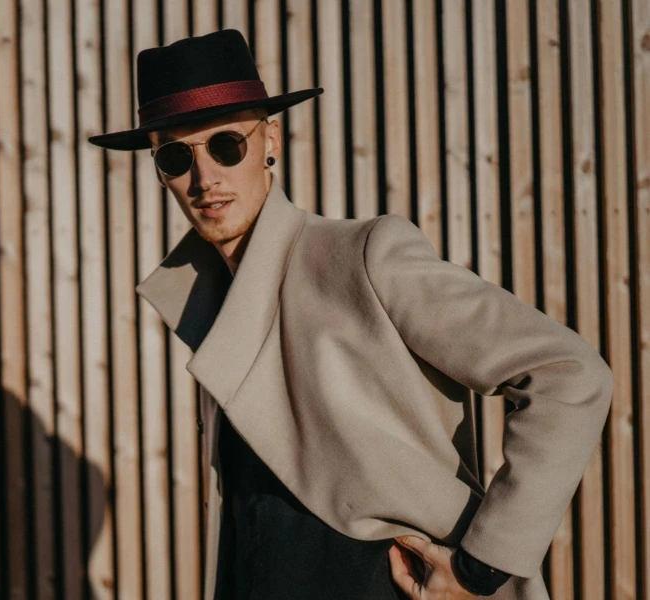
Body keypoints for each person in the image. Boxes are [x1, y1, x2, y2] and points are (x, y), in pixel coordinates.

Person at [88, 29, 612, 600]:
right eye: (174, 155)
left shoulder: (363, 255)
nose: (205, 178)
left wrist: (481, 568)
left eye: (226, 145)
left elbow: (569, 373)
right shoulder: (205, 299)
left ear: (271, 141)